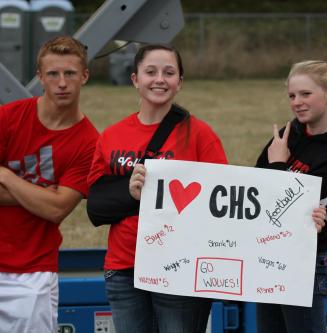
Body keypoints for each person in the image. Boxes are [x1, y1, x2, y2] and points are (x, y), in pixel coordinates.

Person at [0, 36, 99, 332]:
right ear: (40, 77)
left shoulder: (89, 142)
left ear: (84, 76)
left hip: (32, 272)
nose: (61, 83)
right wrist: (39, 196)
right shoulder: (8, 117)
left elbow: (57, 209)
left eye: (70, 73)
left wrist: (6, 176)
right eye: (53, 74)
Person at [86, 44, 228, 333]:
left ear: (180, 83)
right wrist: (130, 191)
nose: (159, 79)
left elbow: (221, 203)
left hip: (180, 269)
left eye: (169, 72)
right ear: (135, 79)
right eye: (150, 72)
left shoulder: (200, 135)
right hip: (124, 268)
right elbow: (96, 206)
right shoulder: (112, 135)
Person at [254, 60, 327, 333]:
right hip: (269, 254)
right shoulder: (287, 136)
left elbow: (289, 210)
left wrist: (278, 165)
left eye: (305, 94)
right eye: (292, 96)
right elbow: (256, 189)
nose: (297, 102)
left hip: (306, 263)